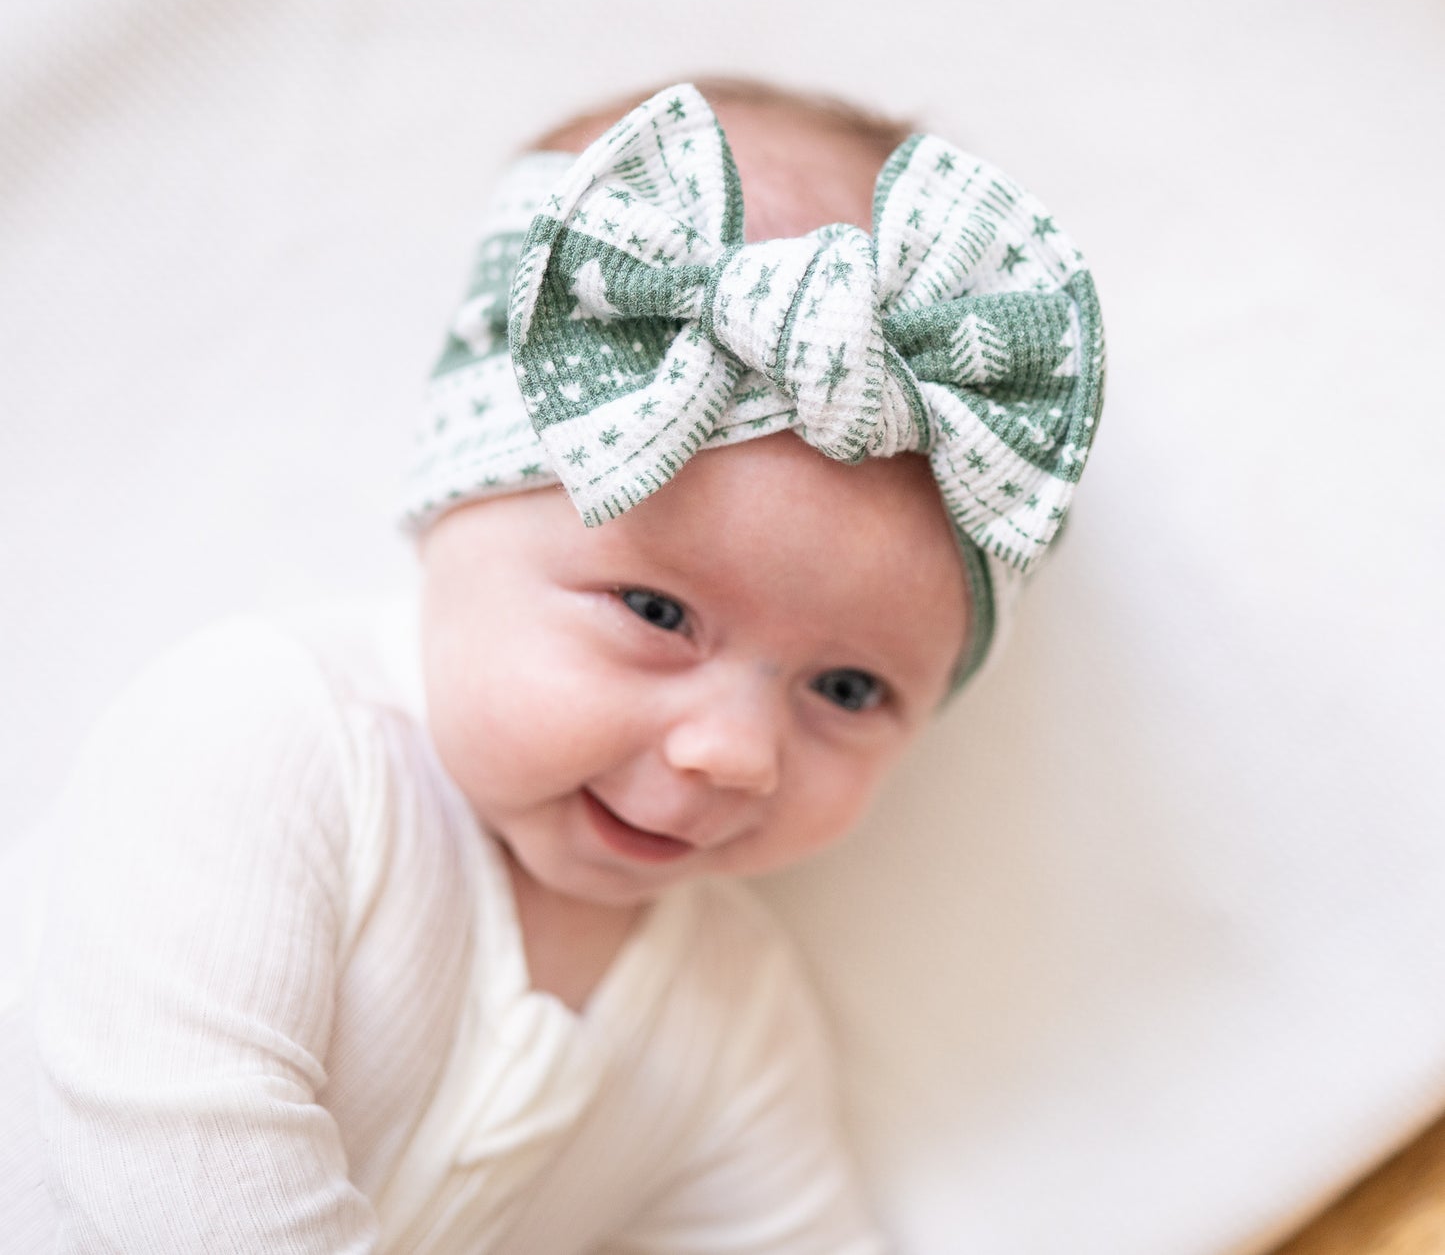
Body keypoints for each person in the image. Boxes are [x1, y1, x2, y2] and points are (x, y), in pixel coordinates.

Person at [0, 78, 1105, 1252]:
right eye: (654, 608)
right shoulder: (259, 740)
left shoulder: (731, 1015)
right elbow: (175, 1196)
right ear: (456, 506)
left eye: (846, 688)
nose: (731, 751)